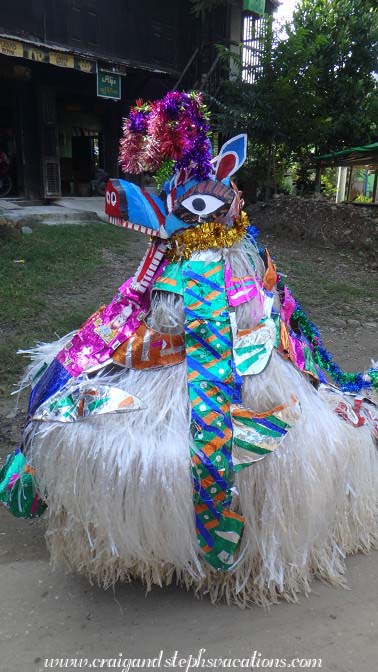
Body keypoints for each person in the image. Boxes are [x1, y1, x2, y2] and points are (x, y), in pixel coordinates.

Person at [1, 92, 377, 607]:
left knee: (253, 429)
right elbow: (146, 319)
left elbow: (269, 317)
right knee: (123, 419)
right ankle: (180, 542)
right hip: (165, 364)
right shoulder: (171, 264)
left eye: (202, 205)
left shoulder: (240, 265)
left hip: (237, 359)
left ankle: (233, 550)